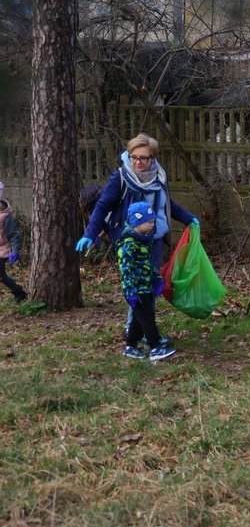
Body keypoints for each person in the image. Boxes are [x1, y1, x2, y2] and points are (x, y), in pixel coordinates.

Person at [75, 134, 198, 343]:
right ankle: (138, 334)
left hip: (155, 241)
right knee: (138, 291)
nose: (138, 163)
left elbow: (167, 204)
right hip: (131, 245)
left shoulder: (159, 176)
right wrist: (90, 233)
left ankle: (140, 333)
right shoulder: (121, 178)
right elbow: (102, 206)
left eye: (143, 158)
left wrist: (189, 219)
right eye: (134, 157)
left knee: (149, 290)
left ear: (153, 158)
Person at [117, 202, 176, 360]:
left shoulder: (143, 241)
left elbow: (149, 265)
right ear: (137, 222)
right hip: (137, 290)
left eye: (153, 221)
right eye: (149, 222)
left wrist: (156, 280)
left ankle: (130, 346)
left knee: (138, 319)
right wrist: (131, 291)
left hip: (147, 287)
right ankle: (155, 347)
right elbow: (127, 271)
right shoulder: (128, 245)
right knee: (148, 319)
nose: (152, 225)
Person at [0, 181, 28, 303]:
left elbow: (14, 235)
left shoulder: (5, 217)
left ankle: (19, 293)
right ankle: (19, 292)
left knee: (2, 276)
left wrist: (15, 251)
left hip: (2, 250)